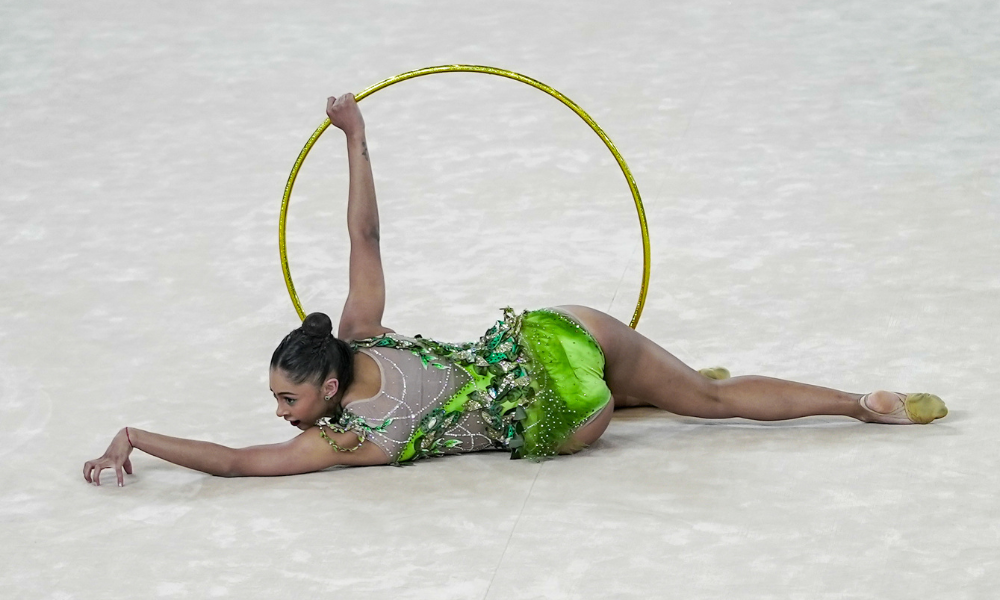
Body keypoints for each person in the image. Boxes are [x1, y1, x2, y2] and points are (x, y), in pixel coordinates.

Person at [82, 94, 948, 487]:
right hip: (558, 330)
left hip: (563, 414)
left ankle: (635, 397)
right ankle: (863, 402)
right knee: (707, 396)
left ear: (332, 387)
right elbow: (365, 236)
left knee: (664, 405)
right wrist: (356, 133)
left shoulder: (342, 444)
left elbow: (236, 465)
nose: (279, 414)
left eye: (287, 397)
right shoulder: (361, 329)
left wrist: (138, 438)